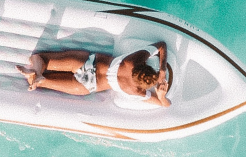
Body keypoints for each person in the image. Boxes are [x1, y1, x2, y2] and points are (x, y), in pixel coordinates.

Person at [16, 41, 171, 107]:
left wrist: (162, 70)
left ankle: (36, 71)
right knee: (41, 82)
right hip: (87, 85)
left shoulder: (134, 60)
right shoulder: (135, 91)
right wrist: (161, 96)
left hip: (88, 63)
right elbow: (164, 105)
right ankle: (37, 78)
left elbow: (161, 46)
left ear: (144, 66)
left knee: (39, 58)